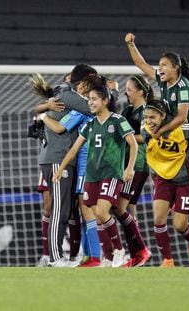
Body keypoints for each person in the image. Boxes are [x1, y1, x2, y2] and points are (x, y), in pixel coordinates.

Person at [124, 33, 189, 240]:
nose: (160, 68)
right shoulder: (163, 81)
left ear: (176, 68)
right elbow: (140, 63)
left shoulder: (184, 87)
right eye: (160, 65)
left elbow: (182, 117)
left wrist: (159, 132)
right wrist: (131, 44)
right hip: (174, 135)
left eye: (164, 65)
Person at [53, 82, 138, 268]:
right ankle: (108, 256)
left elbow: (134, 144)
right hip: (92, 176)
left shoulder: (118, 121)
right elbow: (74, 149)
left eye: (94, 99)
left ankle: (119, 250)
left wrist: (129, 168)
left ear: (105, 101)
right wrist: (61, 168)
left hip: (111, 174)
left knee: (101, 212)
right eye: (89, 99)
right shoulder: (90, 124)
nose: (90, 103)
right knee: (97, 217)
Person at [37, 75, 111, 267]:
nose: (90, 100)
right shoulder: (102, 113)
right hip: (94, 163)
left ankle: (96, 256)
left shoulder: (83, 111)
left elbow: (60, 128)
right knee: (87, 209)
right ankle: (92, 256)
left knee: (87, 209)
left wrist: (43, 115)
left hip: (88, 164)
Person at [142, 99, 189, 267]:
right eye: (146, 117)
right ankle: (168, 260)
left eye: (152, 117)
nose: (149, 122)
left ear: (163, 116)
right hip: (163, 179)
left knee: (179, 225)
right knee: (158, 219)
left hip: (185, 181)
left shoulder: (182, 129)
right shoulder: (145, 131)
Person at [114, 75, 153, 267]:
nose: (126, 92)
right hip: (126, 163)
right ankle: (136, 255)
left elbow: (147, 137)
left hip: (137, 164)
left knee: (118, 208)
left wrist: (126, 136)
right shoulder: (128, 110)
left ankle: (141, 250)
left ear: (140, 92)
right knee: (129, 210)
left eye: (129, 89)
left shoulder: (147, 112)